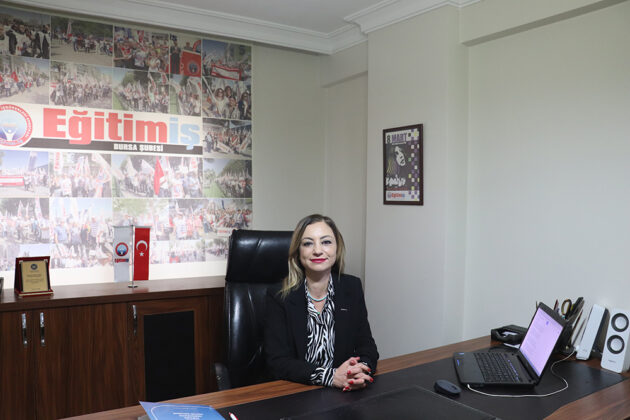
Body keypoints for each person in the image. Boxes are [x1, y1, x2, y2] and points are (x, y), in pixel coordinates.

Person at [264, 214, 378, 391]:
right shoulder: (279, 296)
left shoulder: (352, 287)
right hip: (297, 391)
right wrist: (330, 377)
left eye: (326, 242)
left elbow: (367, 347)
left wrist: (358, 370)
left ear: (337, 248)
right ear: (298, 251)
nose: (317, 250)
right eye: (308, 243)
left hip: (344, 391)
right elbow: (277, 362)